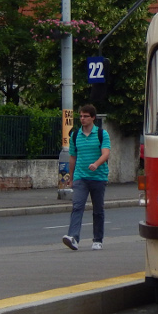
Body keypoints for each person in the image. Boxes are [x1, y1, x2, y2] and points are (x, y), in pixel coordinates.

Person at [62, 104, 110, 251]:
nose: (82, 119)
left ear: (93, 118)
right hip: (80, 176)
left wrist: (96, 164)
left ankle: (97, 240)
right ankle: (73, 238)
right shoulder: (75, 135)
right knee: (77, 206)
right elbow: (72, 157)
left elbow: (106, 153)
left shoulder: (102, 134)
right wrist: (70, 177)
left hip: (98, 177)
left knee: (98, 209)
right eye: (81, 116)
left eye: (86, 116)